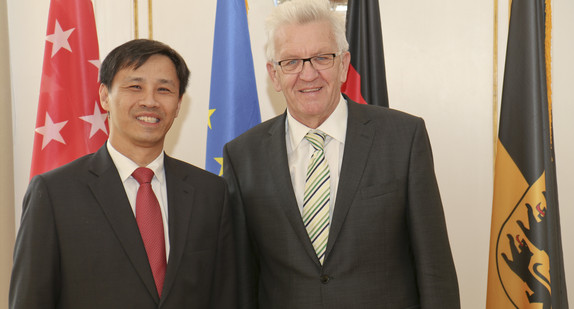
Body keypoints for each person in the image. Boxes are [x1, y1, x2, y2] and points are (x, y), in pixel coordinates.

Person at [222, 0, 460, 308]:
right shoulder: (243, 156)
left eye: (322, 57)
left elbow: (435, 269)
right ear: (274, 75)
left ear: (344, 64)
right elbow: (242, 280)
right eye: (292, 62)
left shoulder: (403, 138)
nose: (308, 75)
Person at [10, 39, 236, 308]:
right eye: (135, 87)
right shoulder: (54, 193)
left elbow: (226, 297)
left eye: (164, 89)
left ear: (178, 105)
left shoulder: (211, 193)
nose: (150, 101)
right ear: (105, 96)